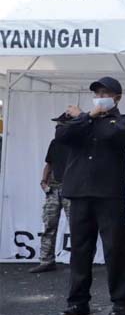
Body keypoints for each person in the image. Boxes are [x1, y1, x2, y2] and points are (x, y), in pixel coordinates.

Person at [54, 76, 125, 315]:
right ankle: (78, 302)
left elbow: (112, 135)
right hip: (79, 192)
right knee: (79, 250)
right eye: (97, 92)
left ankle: (121, 301)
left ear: (117, 97)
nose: (100, 97)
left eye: (105, 93)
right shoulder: (80, 119)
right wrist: (87, 116)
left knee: (115, 249)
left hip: (108, 193)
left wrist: (86, 117)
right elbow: (62, 136)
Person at [29, 114, 73, 273]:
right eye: (57, 125)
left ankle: (79, 263)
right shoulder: (54, 143)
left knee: (77, 228)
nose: (57, 127)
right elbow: (49, 164)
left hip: (72, 190)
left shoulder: (78, 143)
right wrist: (43, 181)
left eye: (60, 125)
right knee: (49, 225)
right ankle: (47, 261)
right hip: (53, 189)